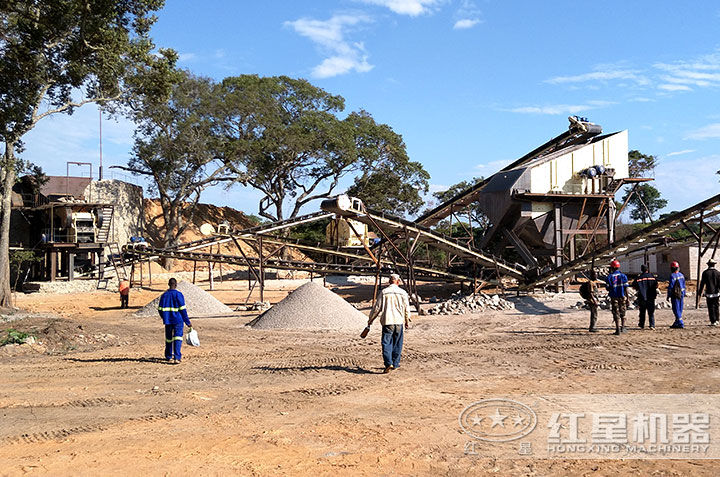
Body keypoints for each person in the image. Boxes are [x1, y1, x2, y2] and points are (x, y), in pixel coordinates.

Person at [367, 273, 412, 374]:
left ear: (389, 281)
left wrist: (370, 320)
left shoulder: (384, 292)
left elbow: (377, 308)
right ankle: (395, 363)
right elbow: (406, 308)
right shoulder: (403, 293)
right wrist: (407, 320)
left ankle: (388, 363)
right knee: (397, 344)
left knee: (386, 343)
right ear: (398, 281)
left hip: (388, 321)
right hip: (399, 321)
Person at [158, 278, 193, 363]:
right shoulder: (178, 295)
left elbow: (160, 309)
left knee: (168, 338)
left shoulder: (164, 295)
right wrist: (187, 322)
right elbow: (183, 310)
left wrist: (164, 317)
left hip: (168, 320)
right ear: (176, 284)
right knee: (178, 338)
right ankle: (177, 357)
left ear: (168, 284)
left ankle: (168, 356)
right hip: (178, 320)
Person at [605, 259, 629, 335]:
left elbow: (608, 288)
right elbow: (626, 288)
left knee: (616, 312)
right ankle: (623, 327)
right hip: (622, 295)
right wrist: (627, 298)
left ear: (612, 267)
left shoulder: (609, 277)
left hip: (614, 296)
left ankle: (617, 329)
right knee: (623, 311)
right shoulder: (623, 276)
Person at [632, 264, 658, 330]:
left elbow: (634, 286)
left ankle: (642, 324)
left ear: (641, 270)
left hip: (642, 297)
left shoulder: (639, 278)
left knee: (642, 312)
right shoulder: (652, 277)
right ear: (647, 269)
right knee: (651, 312)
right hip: (651, 297)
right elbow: (656, 286)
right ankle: (652, 325)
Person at [698, 259, 720, 326]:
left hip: (709, 292)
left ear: (708, 265)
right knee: (716, 306)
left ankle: (713, 321)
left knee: (711, 307)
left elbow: (702, 284)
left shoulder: (705, 273)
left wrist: (700, 292)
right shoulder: (718, 273)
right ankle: (717, 319)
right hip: (716, 292)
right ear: (714, 265)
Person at [668, 261, 686, 329]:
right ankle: (676, 322)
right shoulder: (681, 275)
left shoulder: (672, 276)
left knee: (676, 308)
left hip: (675, 294)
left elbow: (671, 286)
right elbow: (684, 285)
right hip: (681, 293)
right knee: (680, 308)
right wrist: (684, 293)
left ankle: (680, 322)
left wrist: (668, 295)